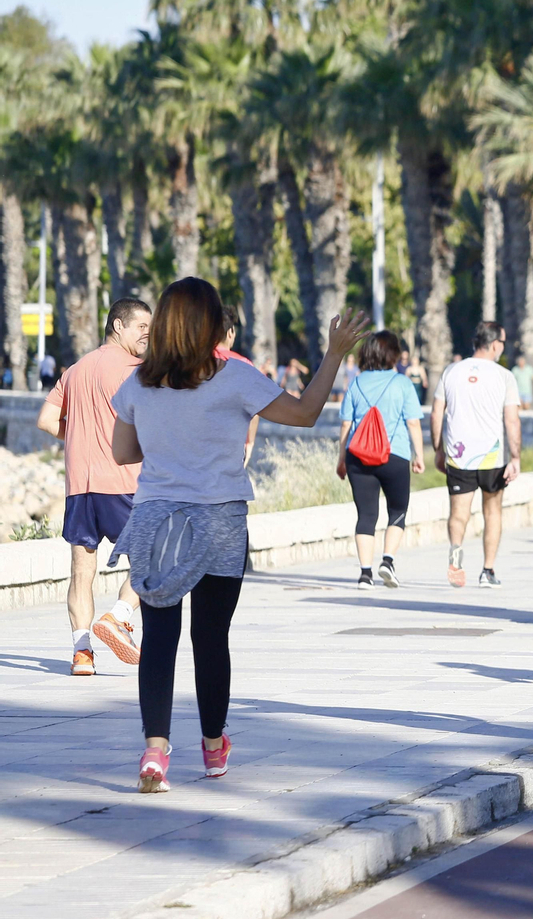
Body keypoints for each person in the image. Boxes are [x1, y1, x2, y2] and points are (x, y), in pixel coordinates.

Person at [109, 277, 367, 793]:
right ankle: (211, 748)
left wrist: (169, 442)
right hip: (220, 519)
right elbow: (306, 412)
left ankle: (156, 751)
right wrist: (334, 354)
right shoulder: (235, 380)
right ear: (210, 325)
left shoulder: (138, 384)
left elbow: (122, 454)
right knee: (210, 637)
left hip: (157, 520)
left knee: (160, 637)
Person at [36, 297, 152, 676]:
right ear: (118, 326)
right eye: (141, 326)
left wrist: (79, 437)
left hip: (79, 487)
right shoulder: (136, 369)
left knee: (82, 573)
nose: (148, 333)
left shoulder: (75, 370)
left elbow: (47, 420)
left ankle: (82, 652)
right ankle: (119, 616)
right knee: (154, 561)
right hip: (122, 482)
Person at [432, 322, 521, 588]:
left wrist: (438, 449)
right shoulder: (504, 376)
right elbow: (512, 420)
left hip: (459, 455)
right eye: (502, 343)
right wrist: (515, 457)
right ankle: (487, 571)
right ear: (495, 345)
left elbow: (437, 412)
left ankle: (456, 554)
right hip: (492, 457)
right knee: (492, 512)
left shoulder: (451, 371)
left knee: (458, 513)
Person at [338, 330, 426, 589]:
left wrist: (341, 458)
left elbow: (345, 425)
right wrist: (418, 456)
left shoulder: (356, 382)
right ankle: (387, 561)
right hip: (394, 456)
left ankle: (365, 575)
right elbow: (413, 423)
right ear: (393, 355)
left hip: (358, 456)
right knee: (397, 511)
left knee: (366, 514)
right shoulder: (402, 383)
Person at [216, 306, 261, 466]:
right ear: (230, 333)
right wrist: (250, 442)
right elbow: (254, 410)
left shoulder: (192, 364)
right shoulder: (243, 365)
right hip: (232, 447)